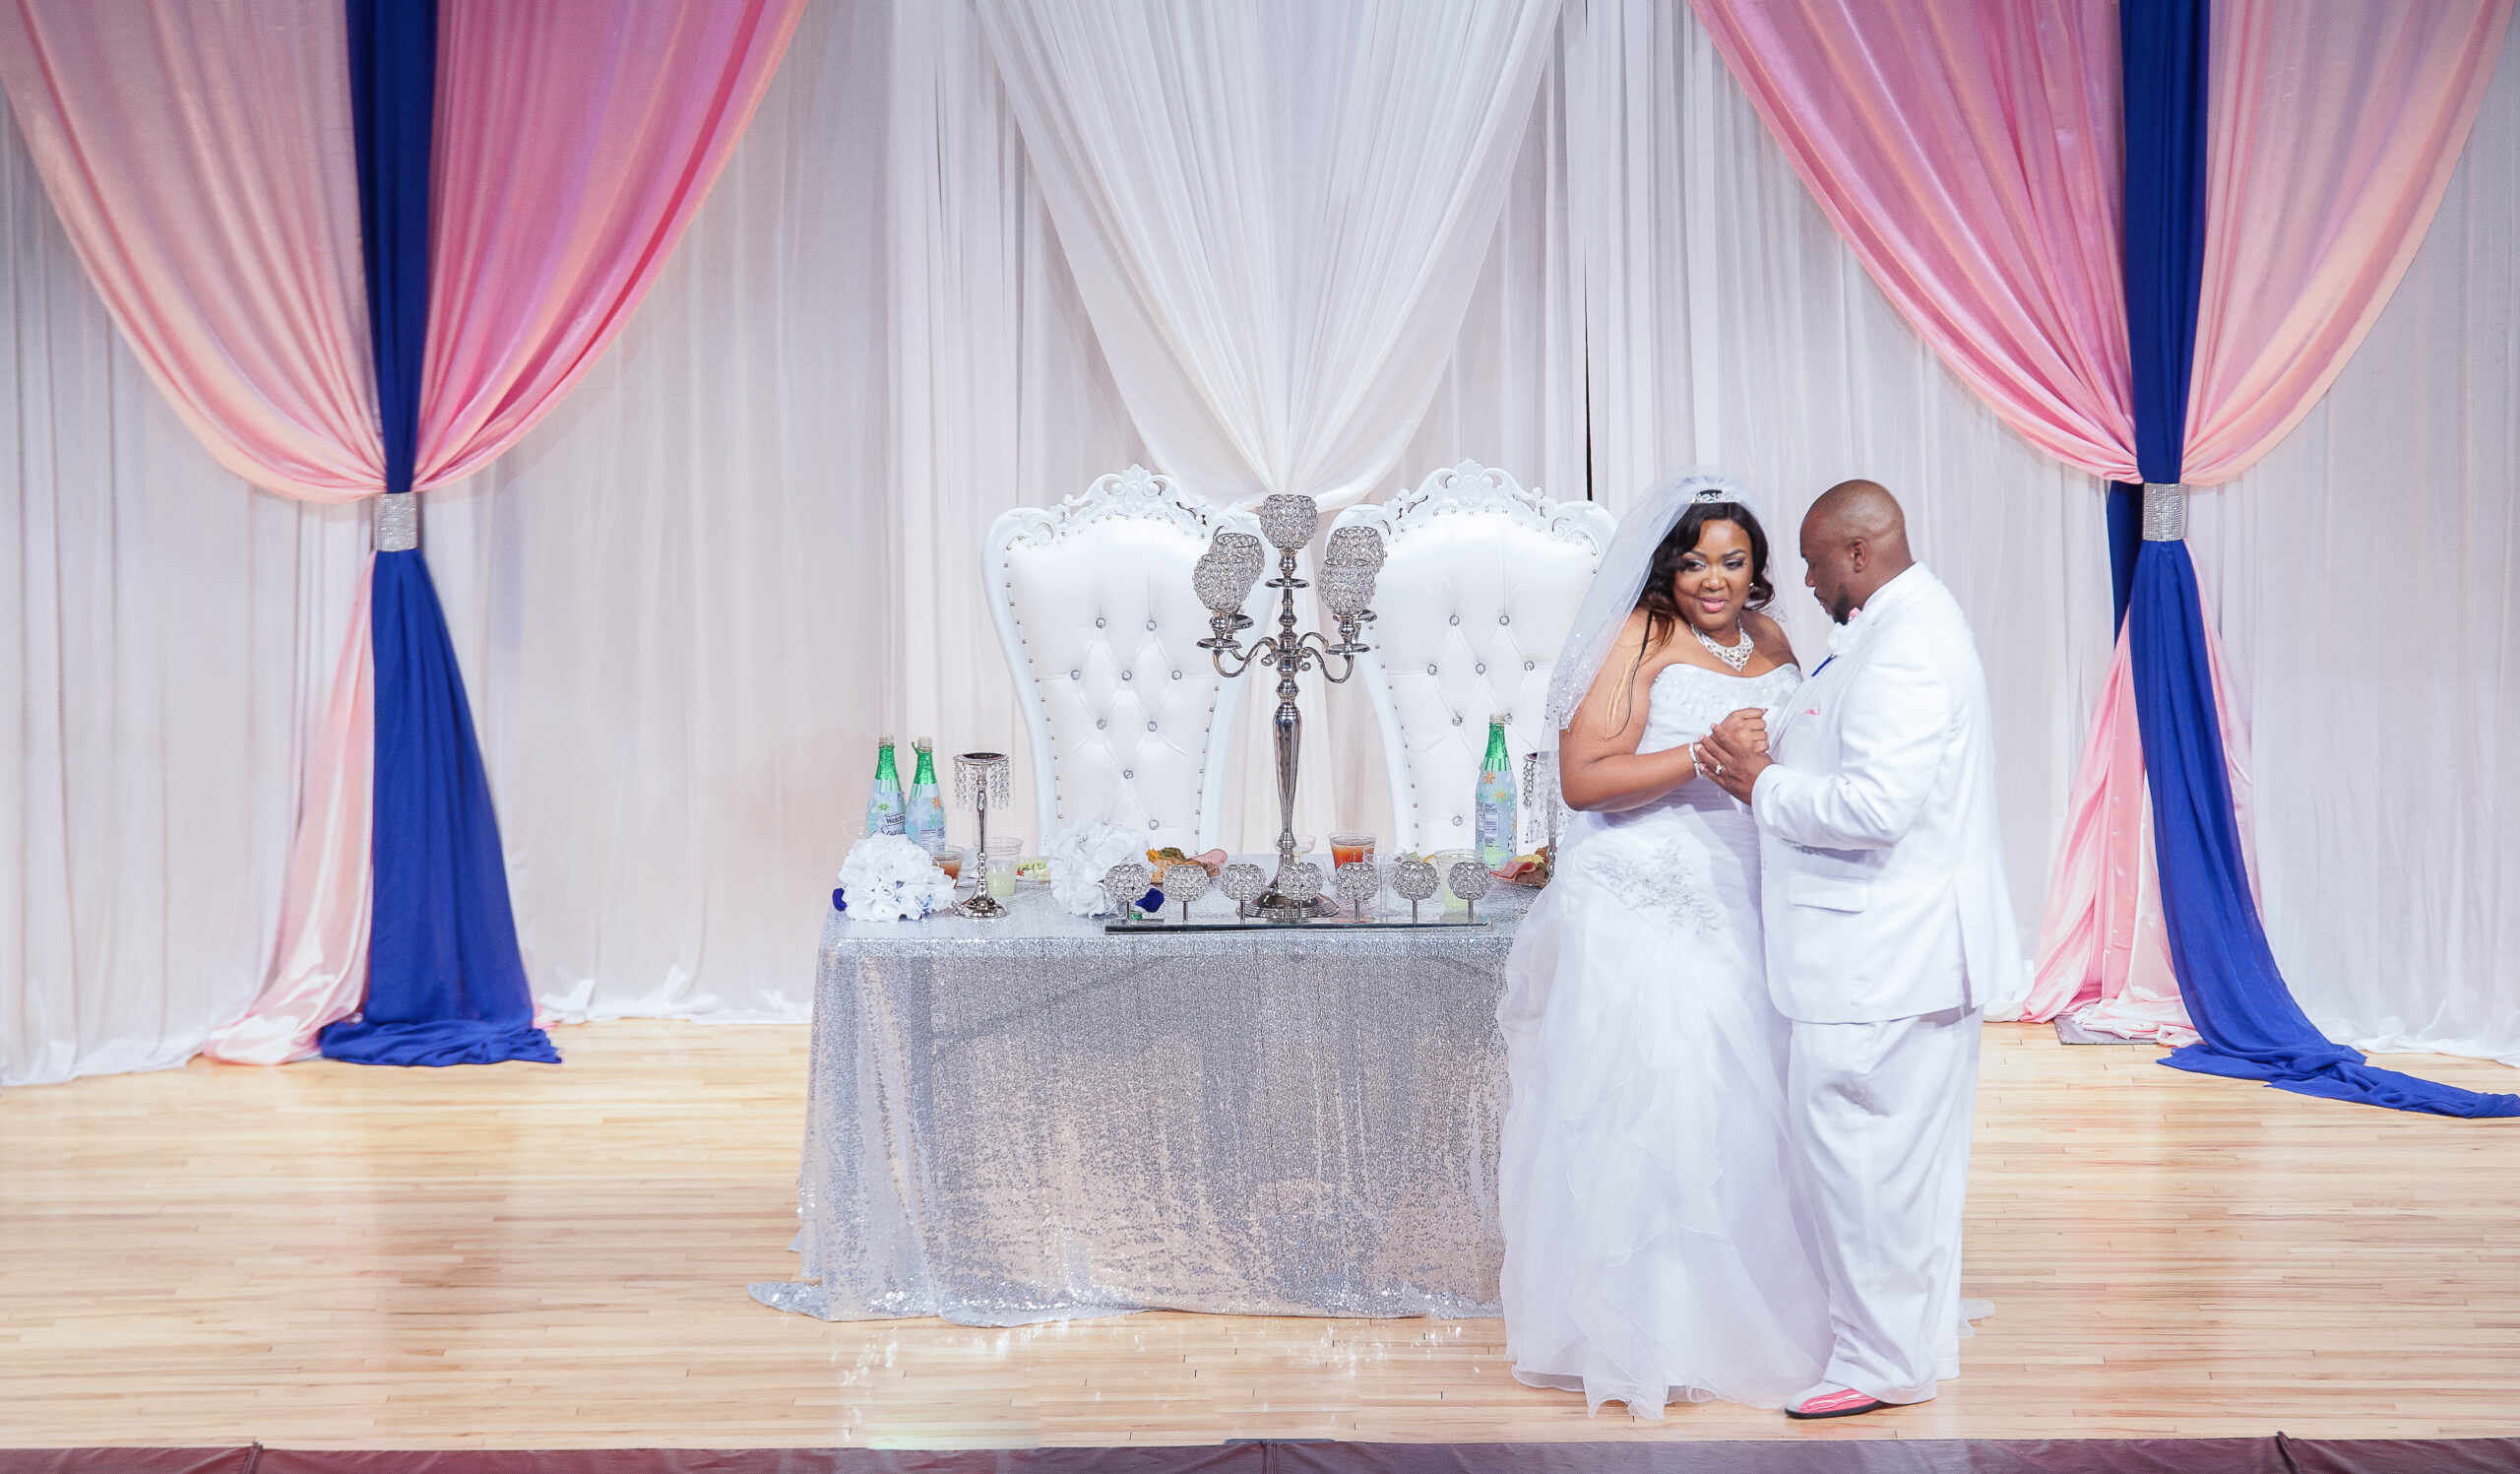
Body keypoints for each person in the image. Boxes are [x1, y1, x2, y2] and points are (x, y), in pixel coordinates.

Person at [1495, 471, 1831, 1418]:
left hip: (1752, 879)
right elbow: (1584, 780)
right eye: (1694, 562)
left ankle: (1756, 1302)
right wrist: (1702, 754)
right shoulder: (1639, 635)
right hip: (1646, 886)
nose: (1713, 579)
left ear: (1757, 568)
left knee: (1760, 1103)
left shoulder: (1771, 639)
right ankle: (1655, 1326)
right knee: (1672, 1094)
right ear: (1666, 568)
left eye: (1732, 560)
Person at [1698, 479, 2020, 1420]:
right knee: (1904, 1170)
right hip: (1898, 951)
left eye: (1812, 562)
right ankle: (1910, 1349)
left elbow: (1875, 808)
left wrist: (1760, 784)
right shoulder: (1898, 627)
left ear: (1858, 552)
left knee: (1862, 1163)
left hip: (1880, 957)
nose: (1803, 580)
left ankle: (1881, 1362)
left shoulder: (1907, 646)